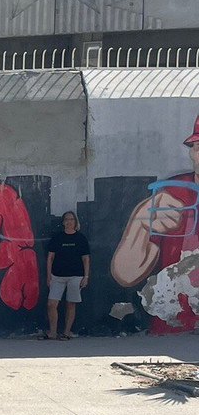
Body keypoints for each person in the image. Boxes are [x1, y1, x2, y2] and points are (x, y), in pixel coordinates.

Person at [110, 114, 199, 331]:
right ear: (193, 152)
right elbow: (125, 275)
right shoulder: (175, 195)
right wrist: (140, 225)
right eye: (197, 147)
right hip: (173, 326)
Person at [44, 211, 90, 340]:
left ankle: (66, 333)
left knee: (70, 304)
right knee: (51, 304)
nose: (69, 222)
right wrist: (48, 276)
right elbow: (50, 258)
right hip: (57, 276)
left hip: (75, 276)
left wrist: (86, 277)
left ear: (75, 222)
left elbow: (86, 259)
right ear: (63, 222)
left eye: (71, 219)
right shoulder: (57, 238)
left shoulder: (81, 238)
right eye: (66, 219)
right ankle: (52, 332)